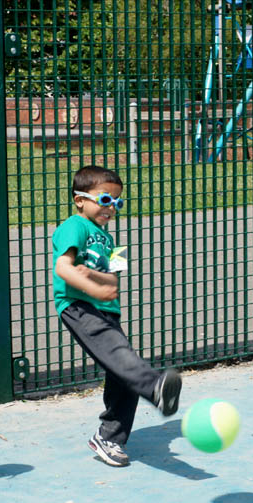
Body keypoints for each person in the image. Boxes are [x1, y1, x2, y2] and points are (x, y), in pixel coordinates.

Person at [52, 164, 182, 467]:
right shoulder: (74, 226)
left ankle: (109, 437)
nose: (112, 208)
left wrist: (101, 283)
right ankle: (154, 386)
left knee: (122, 372)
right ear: (79, 199)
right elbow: (62, 267)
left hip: (107, 311)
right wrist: (91, 288)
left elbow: (114, 282)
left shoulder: (111, 241)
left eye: (118, 202)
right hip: (78, 306)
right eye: (105, 200)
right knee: (121, 356)